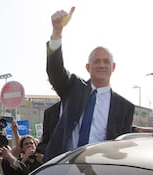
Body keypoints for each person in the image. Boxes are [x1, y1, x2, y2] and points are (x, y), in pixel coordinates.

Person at [44, 7, 135, 161]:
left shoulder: (124, 107)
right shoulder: (73, 88)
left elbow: (121, 148)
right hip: (63, 169)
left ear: (113, 67)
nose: (102, 65)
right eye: (96, 61)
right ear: (88, 67)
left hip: (99, 174)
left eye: (106, 61)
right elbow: (55, 71)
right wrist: (57, 32)